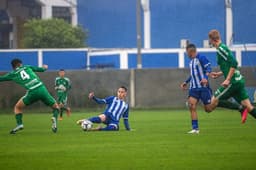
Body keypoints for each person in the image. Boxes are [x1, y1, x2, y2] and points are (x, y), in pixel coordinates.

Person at [207, 29, 256, 122]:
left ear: (212, 39)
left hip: (233, 82)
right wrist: (220, 73)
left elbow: (234, 63)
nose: (209, 42)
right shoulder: (222, 48)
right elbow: (230, 66)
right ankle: (242, 108)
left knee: (213, 102)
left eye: (209, 40)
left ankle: (240, 108)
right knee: (249, 107)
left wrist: (228, 79)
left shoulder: (221, 49)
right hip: (238, 81)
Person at [0, 58, 59, 134]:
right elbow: (42, 69)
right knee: (56, 107)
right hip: (42, 89)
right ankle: (54, 118)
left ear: (13, 66)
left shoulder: (12, 74)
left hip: (32, 92)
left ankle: (20, 124)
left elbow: (1, 78)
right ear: (20, 64)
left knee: (17, 107)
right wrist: (45, 67)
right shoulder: (27, 67)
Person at [180, 44, 212, 134]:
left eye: (187, 52)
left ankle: (220, 101)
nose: (186, 54)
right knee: (191, 105)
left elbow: (208, 68)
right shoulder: (191, 62)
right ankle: (195, 129)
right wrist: (186, 82)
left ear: (190, 51)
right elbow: (193, 75)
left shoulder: (201, 57)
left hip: (203, 87)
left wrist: (205, 78)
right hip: (193, 87)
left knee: (208, 109)